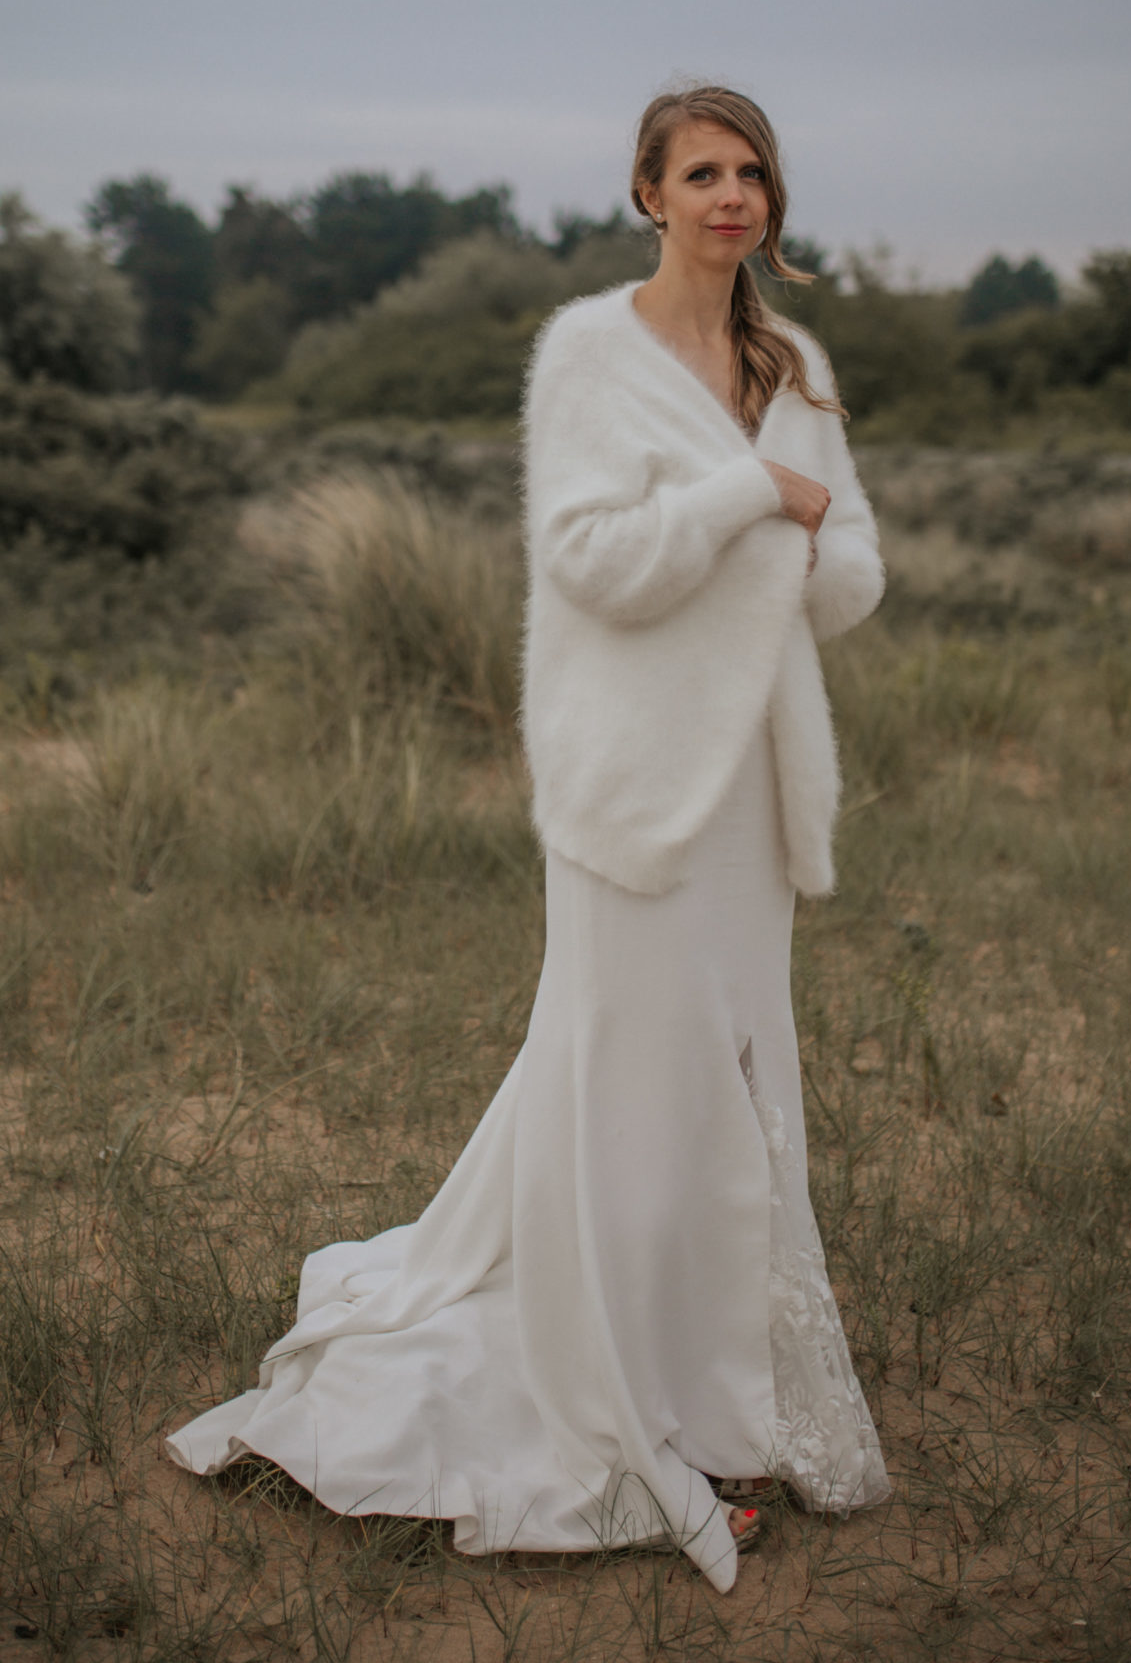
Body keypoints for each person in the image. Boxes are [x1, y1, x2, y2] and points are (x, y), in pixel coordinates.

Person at [167, 84, 890, 1593]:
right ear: (647, 191)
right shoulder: (585, 352)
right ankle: (629, 1413)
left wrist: (798, 523)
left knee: (732, 1080)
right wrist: (754, 491)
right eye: (700, 171)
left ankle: (719, 1397)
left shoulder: (790, 359)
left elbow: (849, 582)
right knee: (630, 1082)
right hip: (626, 781)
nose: (730, 196)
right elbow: (592, 563)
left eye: (751, 171)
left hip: (750, 791)